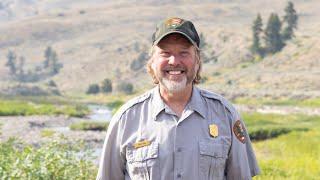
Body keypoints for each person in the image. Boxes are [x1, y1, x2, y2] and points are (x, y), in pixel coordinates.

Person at [96, 17, 260, 180]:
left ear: (197, 61)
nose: (174, 61)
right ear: (153, 62)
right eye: (165, 53)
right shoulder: (126, 119)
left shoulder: (226, 115)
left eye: (184, 53)